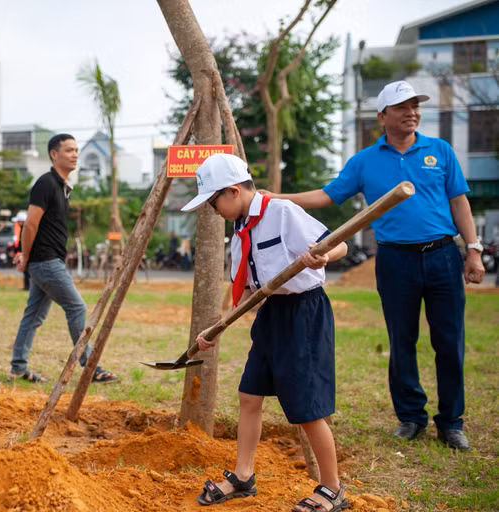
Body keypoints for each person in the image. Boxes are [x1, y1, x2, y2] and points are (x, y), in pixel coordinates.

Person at [262, 81, 483, 451]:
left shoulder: (440, 151)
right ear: (382, 116)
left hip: (443, 255)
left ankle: (451, 422)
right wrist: (277, 198)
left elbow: (459, 202)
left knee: (449, 340)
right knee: (402, 339)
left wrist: (473, 249)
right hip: (395, 259)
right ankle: (411, 417)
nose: (412, 113)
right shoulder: (364, 161)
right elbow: (328, 195)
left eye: (415, 106)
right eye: (402, 107)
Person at [184, 154, 348, 511]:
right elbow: (246, 291)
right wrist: (217, 327)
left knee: (307, 407)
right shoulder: (239, 232)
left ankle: (332, 489)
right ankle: (244, 476)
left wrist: (323, 256)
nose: (213, 211)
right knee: (249, 394)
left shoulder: (281, 212)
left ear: (232, 191)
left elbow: (338, 243)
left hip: (303, 312)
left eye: (213, 202)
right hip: (270, 314)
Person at [10, 134, 117, 384]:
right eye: (69, 150)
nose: (75, 154)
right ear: (53, 154)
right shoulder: (46, 183)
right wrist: (25, 256)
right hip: (45, 261)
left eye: (76, 150)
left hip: (48, 260)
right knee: (77, 307)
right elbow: (30, 224)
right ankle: (90, 366)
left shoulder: (62, 186)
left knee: (33, 316)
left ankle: (18, 367)